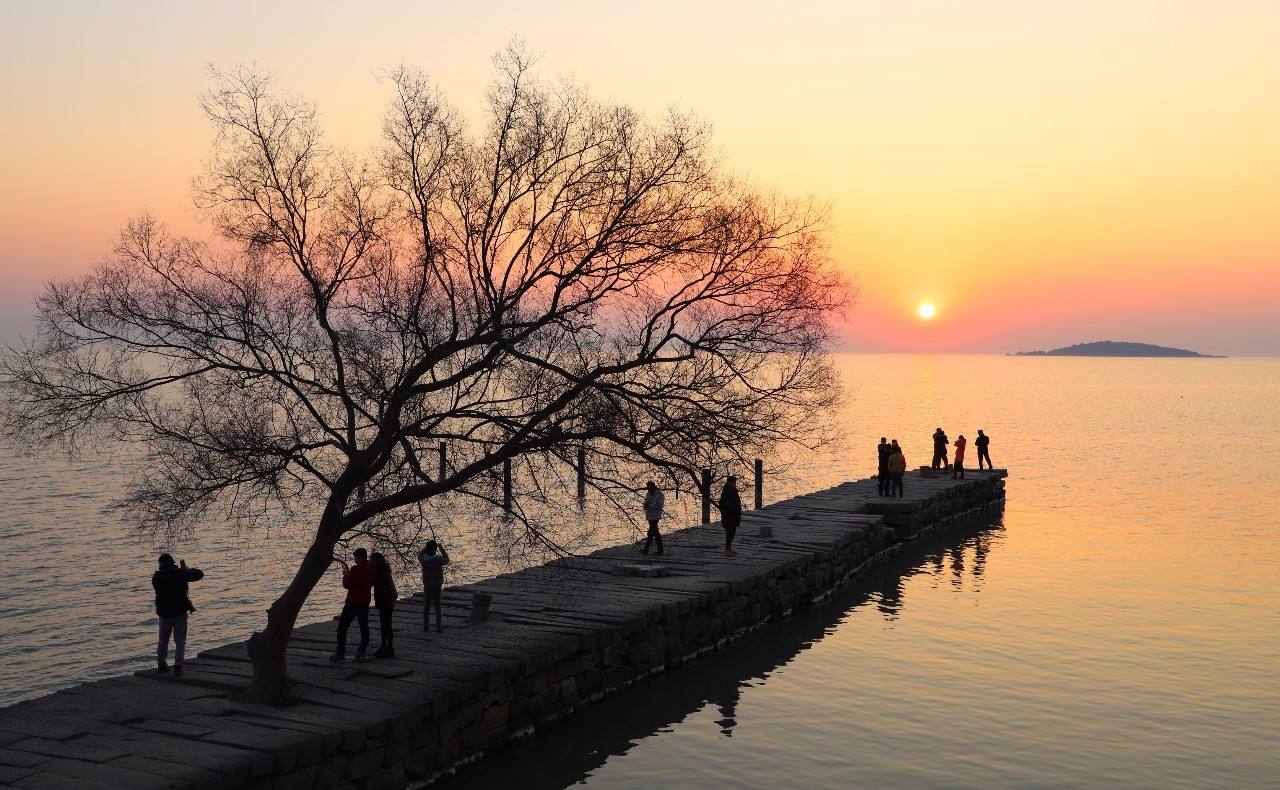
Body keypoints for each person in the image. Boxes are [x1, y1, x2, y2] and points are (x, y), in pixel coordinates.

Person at [152, 554, 203, 677]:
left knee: (162, 641)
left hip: (164, 615)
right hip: (179, 613)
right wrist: (186, 569)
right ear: (172, 563)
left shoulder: (156, 578)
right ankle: (178, 667)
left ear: (160, 564)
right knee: (180, 641)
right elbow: (199, 574)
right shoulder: (179, 574)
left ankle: (161, 664)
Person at [330, 548, 376, 663]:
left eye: (355, 557)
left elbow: (347, 584)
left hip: (352, 602)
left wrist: (346, 574)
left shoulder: (355, 569)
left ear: (359, 557)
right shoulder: (372, 568)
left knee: (342, 628)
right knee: (364, 627)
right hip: (365, 602)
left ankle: (340, 654)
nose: (354, 559)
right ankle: (362, 651)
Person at [418, 539, 451, 633]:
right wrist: (441, 548)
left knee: (427, 605)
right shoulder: (438, 560)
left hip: (427, 584)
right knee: (437, 605)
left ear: (427, 549)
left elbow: (419, 555)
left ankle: (425, 625)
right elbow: (446, 559)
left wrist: (425, 548)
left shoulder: (423, 559)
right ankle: (438, 625)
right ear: (435, 549)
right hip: (437, 584)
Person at [371, 552, 397, 658]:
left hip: (385, 600)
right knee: (387, 624)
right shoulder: (385, 569)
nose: (371, 562)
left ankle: (385, 646)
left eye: (372, 560)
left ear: (376, 561)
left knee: (385, 624)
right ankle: (388, 646)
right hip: (389, 599)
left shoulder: (379, 572)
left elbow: (373, 582)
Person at [718, 475, 743, 557]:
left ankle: (729, 547)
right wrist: (730, 507)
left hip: (734, 514)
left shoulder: (734, 490)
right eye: (733, 482)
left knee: (733, 531)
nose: (735, 483)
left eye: (735, 482)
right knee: (729, 531)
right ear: (730, 482)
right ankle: (726, 549)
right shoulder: (726, 491)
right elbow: (721, 503)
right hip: (728, 515)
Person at [642, 480, 665, 554]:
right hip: (649, 516)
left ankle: (646, 549)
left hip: (656, 516)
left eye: (650, 488)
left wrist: (650, 505)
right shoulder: (648, 494)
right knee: (654, 533)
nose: (649, 490)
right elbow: (646, 503)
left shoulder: (660, 495)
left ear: (654, 487)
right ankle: (660, 549)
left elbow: (660, 506)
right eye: (648, 488)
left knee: (651, 533)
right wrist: (645, 506)